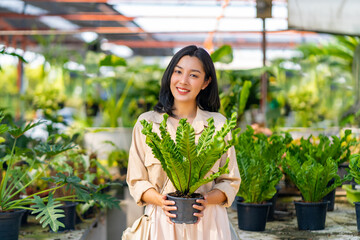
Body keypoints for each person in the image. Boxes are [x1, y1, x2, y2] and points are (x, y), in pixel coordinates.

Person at [126, 45, 240, 240]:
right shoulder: (147, 124)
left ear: (206, 82)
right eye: (178, 72)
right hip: (161, 225)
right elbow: (136, 180)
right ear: (170, 75)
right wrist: (161, 201)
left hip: (209, 226)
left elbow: (230, 181)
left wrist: (205, 200)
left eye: (194, 75)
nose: (183, 81)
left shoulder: (218, 125)